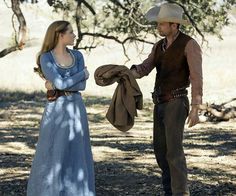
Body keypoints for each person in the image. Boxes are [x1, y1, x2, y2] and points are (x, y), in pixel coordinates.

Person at [130, 3, 203, 196]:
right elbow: (145, 68)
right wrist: (127, 73)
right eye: (158, 24)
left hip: (177, 102)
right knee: (161, 151)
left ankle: (180, 193)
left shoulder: (189, 44)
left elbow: (197, 77)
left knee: (174, 153)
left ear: (174, 25)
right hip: (160, 103)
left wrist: (196, 107)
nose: (158, 27)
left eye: (162, 24)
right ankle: (169, 191)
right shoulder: (159, 46)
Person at [27, 20, 95, 196]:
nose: (74, 35)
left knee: (77, 151)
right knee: (53, 151)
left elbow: (81, 87)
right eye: (71, 32)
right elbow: (61, 83)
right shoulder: (46, 58)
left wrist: (58, 84)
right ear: (59, 34)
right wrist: (82, 74)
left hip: (76, 108)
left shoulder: (78, 56)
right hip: (56, 109)